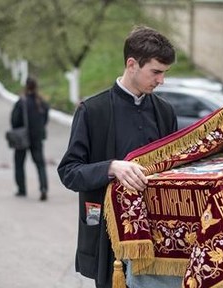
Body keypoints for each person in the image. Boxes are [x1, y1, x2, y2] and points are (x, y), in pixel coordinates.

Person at [57, 26, 180, 288]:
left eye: (164, 73)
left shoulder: (165, 112)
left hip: (156, 238)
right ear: (132, 64)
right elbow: (68, 172)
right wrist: (112, 167)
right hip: (109, 239)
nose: (161, 81)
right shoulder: (92, 110)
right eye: (156, 72)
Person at [11, 77, 50, 201]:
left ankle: (22, 189)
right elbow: (45, 118)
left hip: (22, 138)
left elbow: (14, 120)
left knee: (19, 163)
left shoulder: (21, 102)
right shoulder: (41, 102)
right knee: (40, 164)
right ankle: (43, 188)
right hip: (37, 137)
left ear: (26, 86)